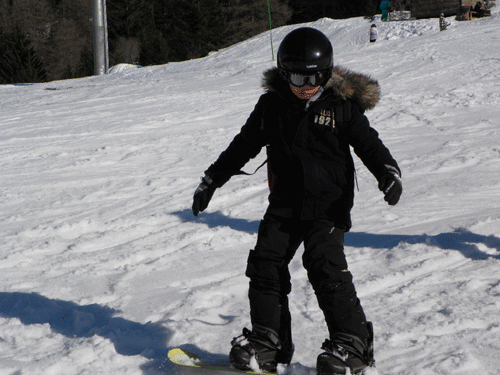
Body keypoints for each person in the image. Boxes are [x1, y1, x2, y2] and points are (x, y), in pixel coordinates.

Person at [192, 27, 402, 375]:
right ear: (282, 72)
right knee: (265, 264)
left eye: (316, 76)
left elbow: (370, 144)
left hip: (328, 206)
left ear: (328, 72)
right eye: (297, 76)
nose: (306, 84)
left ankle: (353, 343)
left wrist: (387, 173)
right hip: (285, 203)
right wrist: (212, 179)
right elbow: (242, 146)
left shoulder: (341, 106)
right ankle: (268, 342)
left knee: (324, 265)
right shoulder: (271, 106)